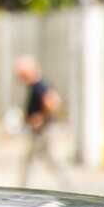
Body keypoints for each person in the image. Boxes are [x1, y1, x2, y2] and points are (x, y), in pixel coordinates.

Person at [18, 55, 70, 189]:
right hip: (39, 129)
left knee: (40, 159)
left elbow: (52, 101)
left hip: (42, 130)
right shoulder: (34, 86)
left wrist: (41, 117)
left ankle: (23, 187)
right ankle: (24, 186)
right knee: (41, 159)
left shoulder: (39, 85)